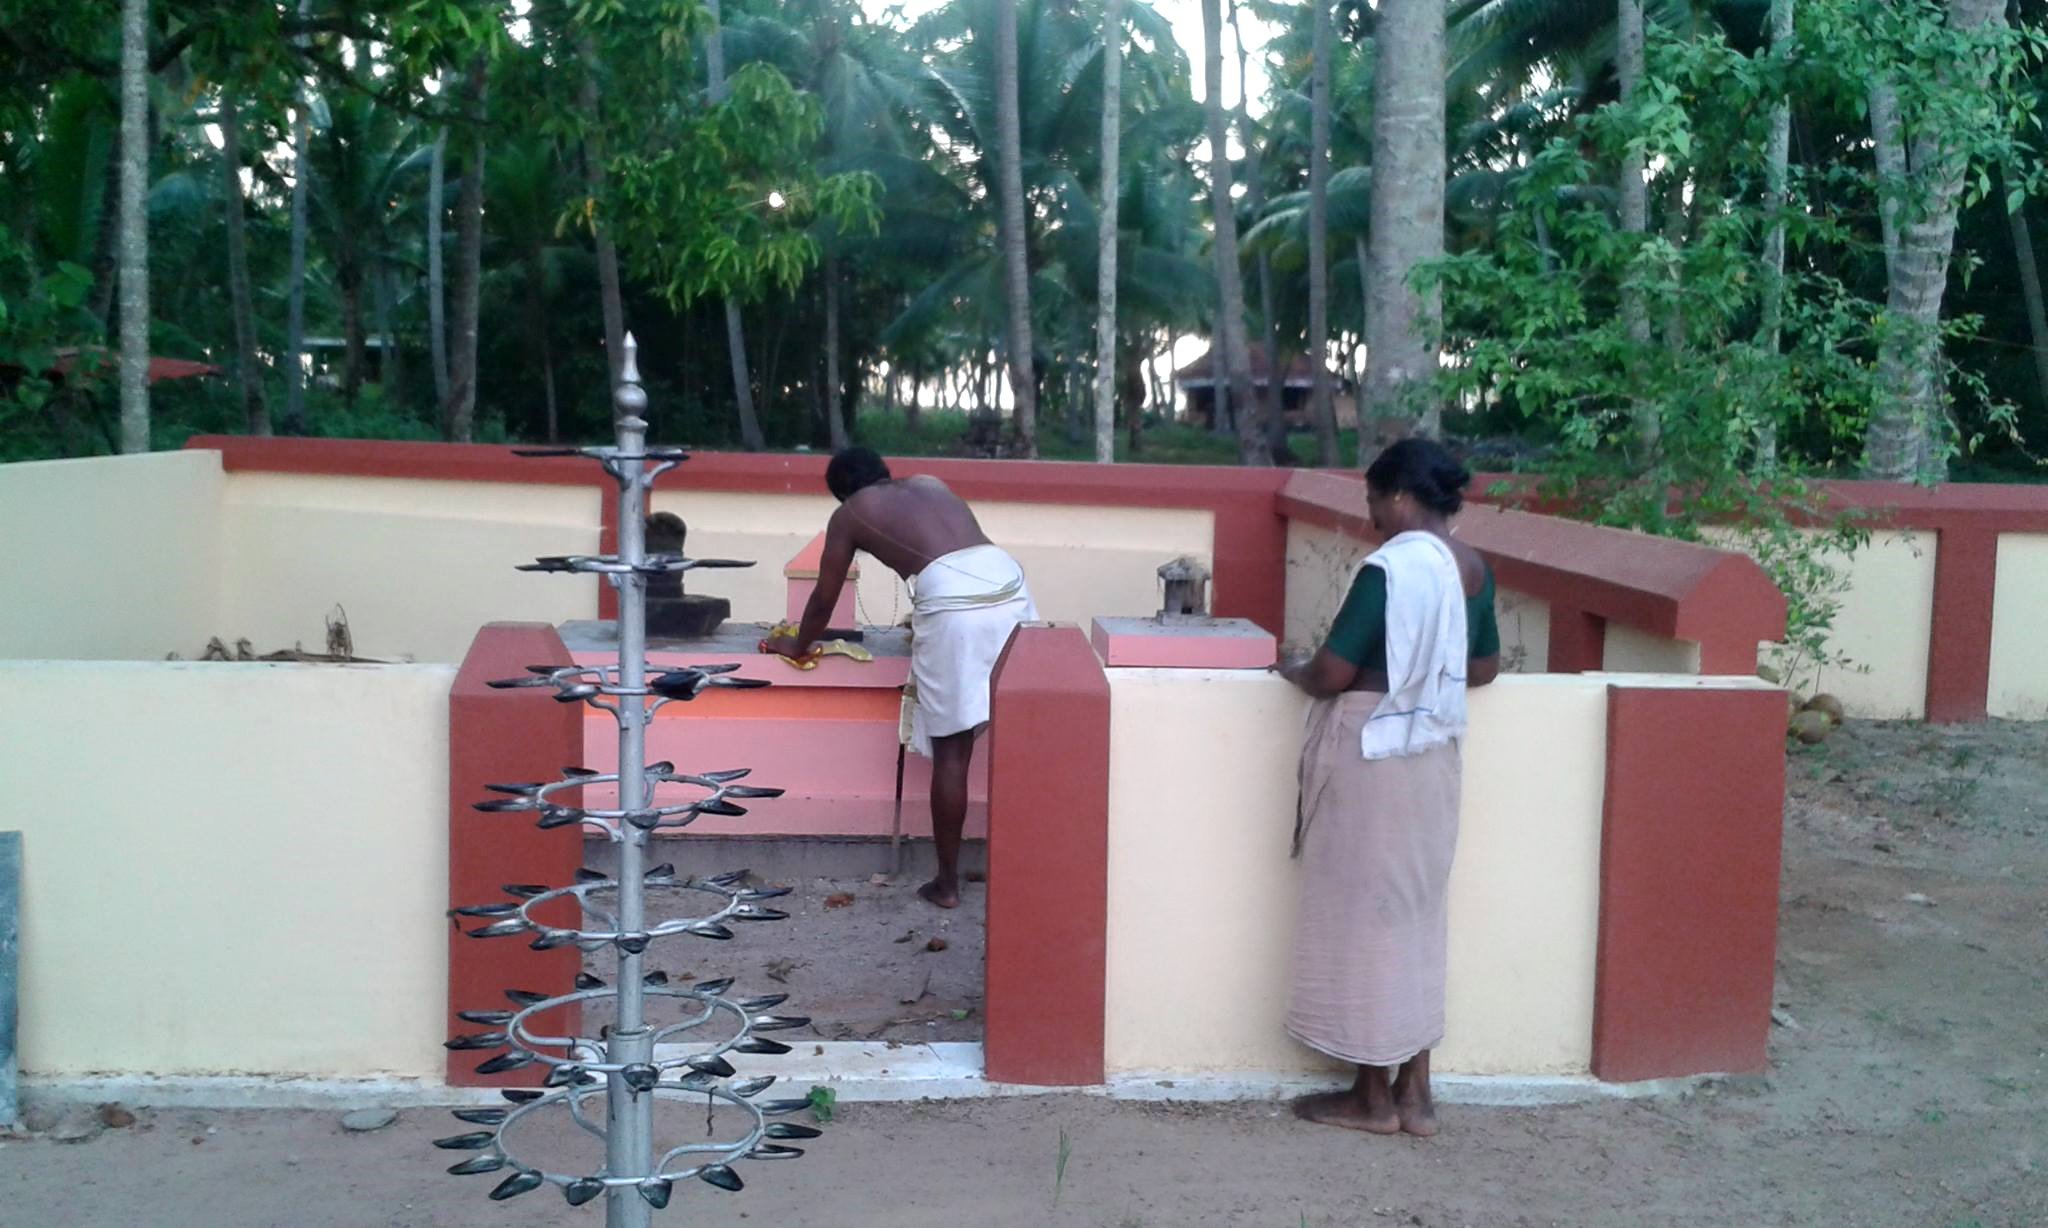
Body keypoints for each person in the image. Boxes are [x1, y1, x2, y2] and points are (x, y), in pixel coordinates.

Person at [1276, 437, 1501, 1137]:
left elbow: (1332, 673)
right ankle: (1417, 1094)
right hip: (1434, 752)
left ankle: (1369, 1099)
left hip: (1373, 751)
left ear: (1399, 496)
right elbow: (1485, 667)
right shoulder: (1471, 570)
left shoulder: (1390, 570)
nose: (1371, 518)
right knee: (1416, 914)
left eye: (1374, 502)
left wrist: (1290, 668)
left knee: (1366, 916)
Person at [764, 447, 1038, 909]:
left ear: (840, 493)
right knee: (1022, 727)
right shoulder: (930, 481)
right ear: (885, 473)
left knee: (953, 751)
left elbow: (824, 598)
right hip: (1011, 585)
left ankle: (947, 885)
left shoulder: (850, 513)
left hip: (954, 603)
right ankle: (1032, 869)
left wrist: (796, 643)